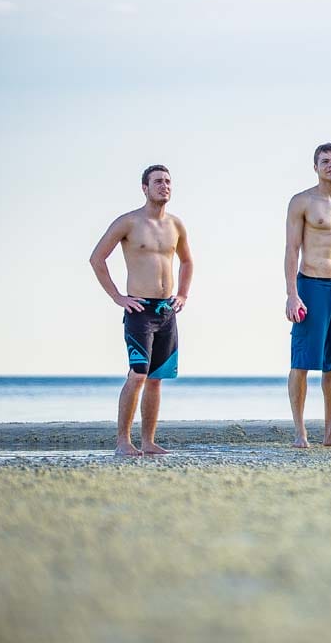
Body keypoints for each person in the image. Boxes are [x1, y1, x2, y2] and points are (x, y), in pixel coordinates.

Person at [89, 165, 193, 456]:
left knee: (156, 379)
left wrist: (183, 294)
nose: (165, 186)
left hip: (166, 310)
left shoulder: (176, 225)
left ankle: (148, 441)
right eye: (158, 182)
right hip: (139, 309)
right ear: (144, 188)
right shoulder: (129, 222)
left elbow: (187, 261)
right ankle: (124, 441)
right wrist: (117, 297)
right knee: (137, 374)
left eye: (168, 181)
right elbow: (97, 258)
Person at [285, 143, 331, 448]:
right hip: (310, 285)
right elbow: (291, 250)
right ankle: (300, 431)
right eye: (325, 161)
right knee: (302, 361)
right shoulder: (302, 201)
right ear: (314, 166)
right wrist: (292, 294)